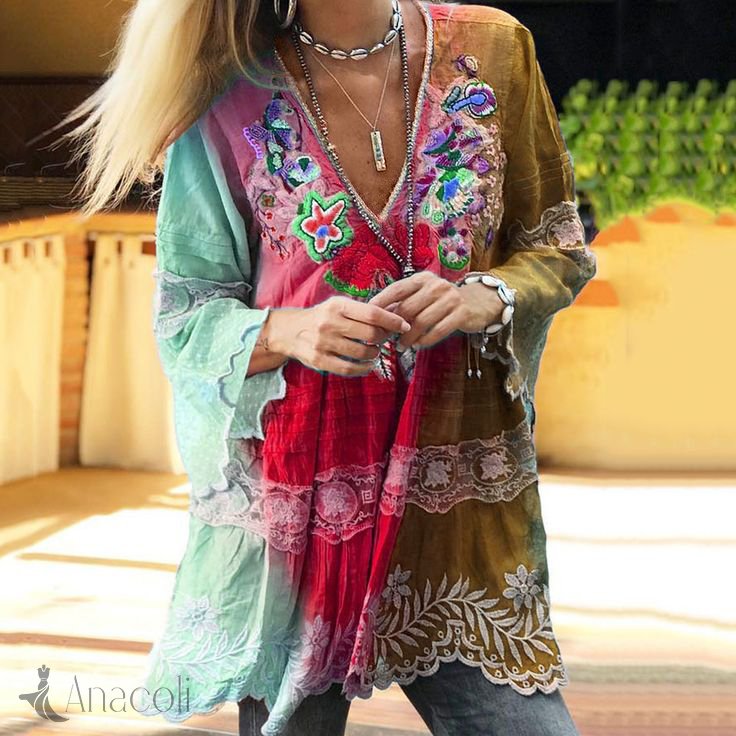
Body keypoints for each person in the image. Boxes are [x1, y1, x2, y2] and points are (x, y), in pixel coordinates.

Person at [63, 1, 597, 734]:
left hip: (456, 511)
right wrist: (293, 329)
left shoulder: (495, 49)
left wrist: (484, 295)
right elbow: (187, 316)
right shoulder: (225, 89)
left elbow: (557, 249)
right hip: (298, 517)